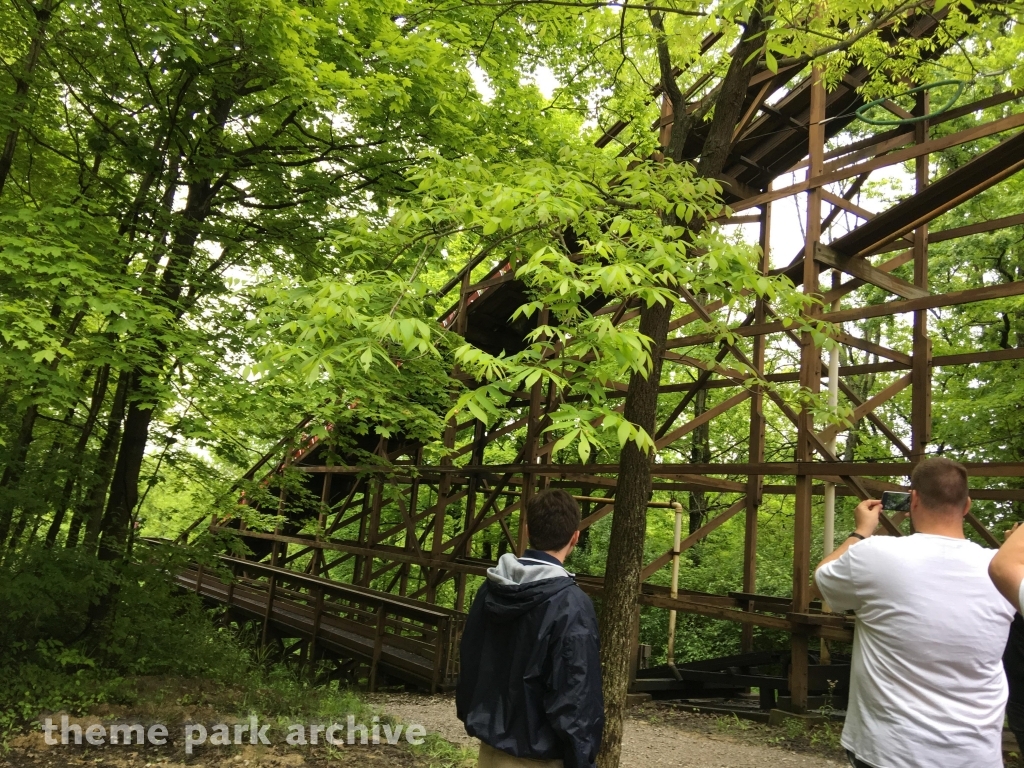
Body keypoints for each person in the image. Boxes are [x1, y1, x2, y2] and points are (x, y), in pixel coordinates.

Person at [814, 457, 1015, 768]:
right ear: (966, 506)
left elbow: (823, 578)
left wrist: (861, 531)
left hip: (891, 750)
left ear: (914, 500)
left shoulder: (874, 554)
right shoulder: (1002, 569)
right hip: (976, 755)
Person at [456, 489, 603, 768]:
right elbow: (576, 697)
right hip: (542, 759)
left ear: (526, 530)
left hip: (490, 753)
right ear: (575, 536)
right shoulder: (571, 605)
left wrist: (476, 719)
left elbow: (471, 662)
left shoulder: (490, 589)